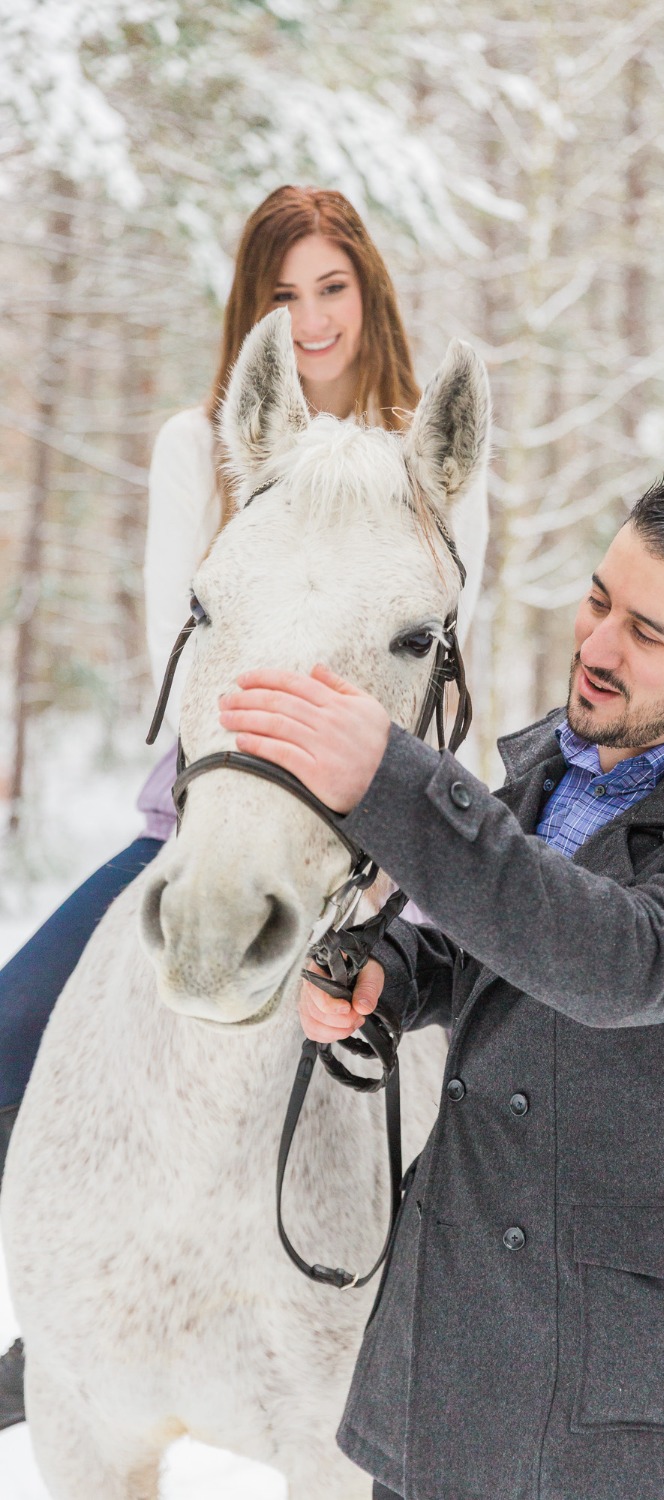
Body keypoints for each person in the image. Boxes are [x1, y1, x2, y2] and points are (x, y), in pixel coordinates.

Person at [218, 474, 664, 1500]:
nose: (597, 646)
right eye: (598, 600)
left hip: (620, 1381)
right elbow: (489, 943)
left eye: (646, 631)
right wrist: (385, 976)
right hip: (454, 1333)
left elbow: (620, 960)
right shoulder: (557, 767)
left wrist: (397, 781)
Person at [0, 184, 489, 1432]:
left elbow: (444, 664)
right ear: (254, 312)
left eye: (333, 288)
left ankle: (465, 1342)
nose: (313, 318)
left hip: (382, 832)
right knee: (12, 1017)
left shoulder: (429, 460)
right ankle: (48, 1324)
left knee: (507, 1073)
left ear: (368, 295)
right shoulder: (202, 441)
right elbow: (186, 641)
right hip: (207, 807)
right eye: (285, 296)